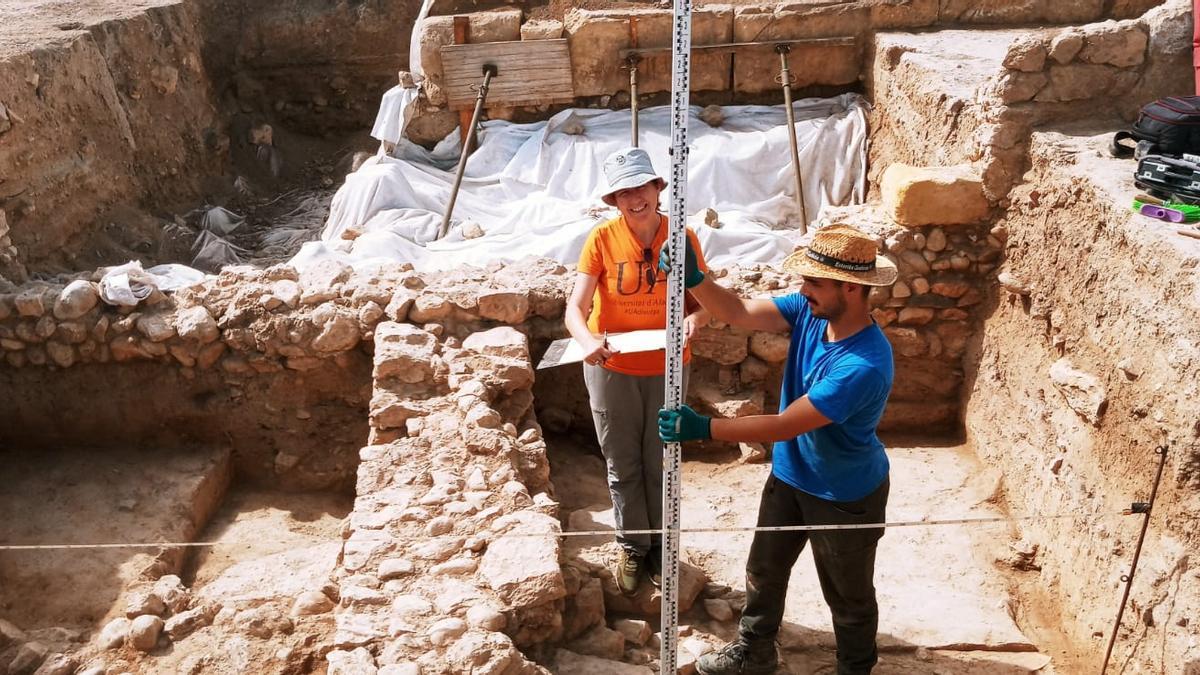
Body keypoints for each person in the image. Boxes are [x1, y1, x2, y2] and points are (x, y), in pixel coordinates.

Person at [658, 224, 897, 675]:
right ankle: (755, 652)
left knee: (848, 597)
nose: (803, 290)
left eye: (814, 282)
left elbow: (785, 425)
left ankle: (854, 669)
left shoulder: (863, 364)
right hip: (790, 475)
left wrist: (704, 427)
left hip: (844, 496)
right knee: (764, 571)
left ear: (850, 287)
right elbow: (739, 311)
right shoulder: (811, 311)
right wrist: (696, 279)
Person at [565, 147, 709, 595]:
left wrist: (694, 320)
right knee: (622, 461)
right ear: (614, 200)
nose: (635, 198)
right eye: (624, 192)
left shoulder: (682, 236)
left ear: (657, 188)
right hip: (612, 365)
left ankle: (663, 547)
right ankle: (633, 545)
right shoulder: (601, 239)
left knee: (662, 459)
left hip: (668, 366)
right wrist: (587, 342)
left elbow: (703, 302)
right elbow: (575, 308)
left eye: (641, 187)